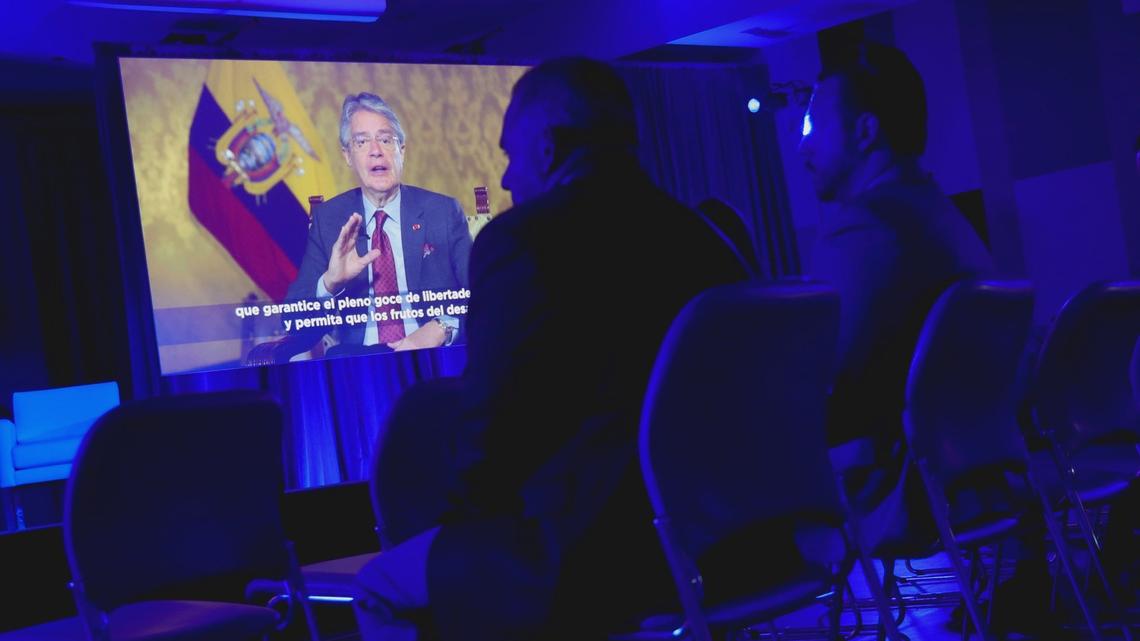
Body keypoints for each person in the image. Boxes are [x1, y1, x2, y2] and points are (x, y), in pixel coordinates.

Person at [352, 57, 748, 641]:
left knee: (378, 586)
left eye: (511, 156)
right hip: (731, 543)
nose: (508, 180)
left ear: (548, 149)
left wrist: (456, 524)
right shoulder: (707, 242)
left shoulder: (522, 242)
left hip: (586, 554)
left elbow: (492, 433)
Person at [284, 92, 472, 356]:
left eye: (386, 140)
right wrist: (329, 284)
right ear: (348, 155)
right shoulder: (329, 220)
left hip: (434, 352)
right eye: (361, 142)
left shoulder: (442, 211)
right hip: (360, 361)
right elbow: (292, 322)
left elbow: (482, 295)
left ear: (401, 150)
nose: (376, 151)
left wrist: (444, 325)